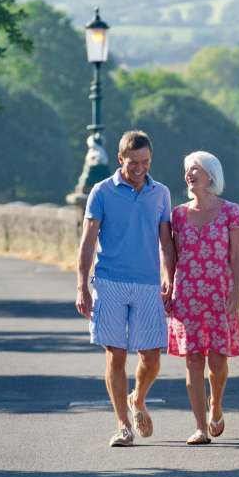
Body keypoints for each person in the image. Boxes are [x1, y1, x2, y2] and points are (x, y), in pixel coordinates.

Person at [75, 131, 175, 447]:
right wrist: (82, 285)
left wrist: (170, 278)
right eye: (134, 162)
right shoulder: (101, 192)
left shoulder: (161, 193)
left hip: (148, 284)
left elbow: (167, 243)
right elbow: (87, 241)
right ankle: (122, 426)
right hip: (109, 281)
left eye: (145, 161)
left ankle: (138, 399)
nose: (140, 168)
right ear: (120, 159)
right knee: (115, 354)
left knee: (151, 357)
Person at [167, 151, 239, 445]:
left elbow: (236, 256)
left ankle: (216, 405)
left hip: (219, 293)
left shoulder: (231, 212)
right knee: (193, 361)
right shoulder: (178, 215)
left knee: (217, 361)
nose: (189, 174)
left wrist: (236, 291)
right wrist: (168, 287)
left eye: (195, 169)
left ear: (210, 174)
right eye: (187, 169)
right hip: (187, 295)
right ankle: (200, 427)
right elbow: (172, 256)